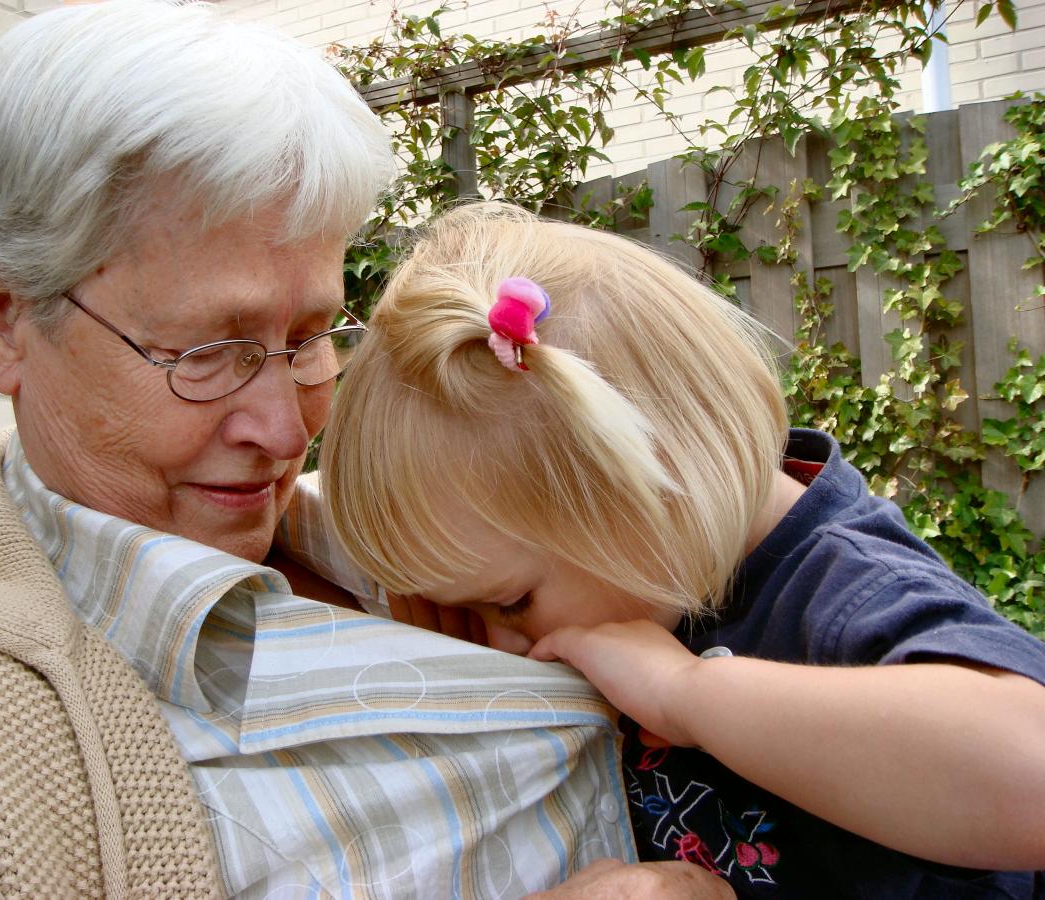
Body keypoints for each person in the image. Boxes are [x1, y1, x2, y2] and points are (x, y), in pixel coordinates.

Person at [0, 5, 736, 897]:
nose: (287, 430)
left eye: (311, 336)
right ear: (0, 319)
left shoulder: (413, 529)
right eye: (205, 353)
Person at [319, 201, 1045, 897]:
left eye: (511, 603)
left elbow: (1029, 772)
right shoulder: (657, 584)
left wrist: (686, 693)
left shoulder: (845, 587)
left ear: (653, 488)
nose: (503, 643)